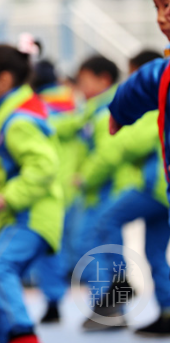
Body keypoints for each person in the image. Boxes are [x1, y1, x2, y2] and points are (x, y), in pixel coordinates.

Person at [0, 45, 63, 343]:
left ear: (4, 81)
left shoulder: (18, 122)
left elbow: (44, 165)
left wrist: (9, 197)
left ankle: (24, 336)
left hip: (34, 214)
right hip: (25, 214)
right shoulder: (8, 117)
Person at [81, 50, 170, 335]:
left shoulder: (155, 99)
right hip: (158, 188)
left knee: (106, 220)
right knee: (154, 252)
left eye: (134, 75)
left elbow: (129, 143)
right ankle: (167, 310)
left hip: (155, 188)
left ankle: (121, 283)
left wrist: (118, 125)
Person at [69, 55, 130, 329]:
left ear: (103, 79)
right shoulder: (93, 111)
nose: (80, 87)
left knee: (94, 248)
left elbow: (107, 154)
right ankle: (106, 307)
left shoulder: (106, 112)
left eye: (84, 81)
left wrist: (85, 178)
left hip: (103, 192)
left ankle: (108, 309)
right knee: (96, 249)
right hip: (98, 194)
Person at [29, 59, 81, 323]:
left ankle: (52, 299)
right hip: (66, 184)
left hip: (46, 186)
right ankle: (54, 299)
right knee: (55, 245)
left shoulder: (36, 107)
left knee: (48, 248)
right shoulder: (69, 101)